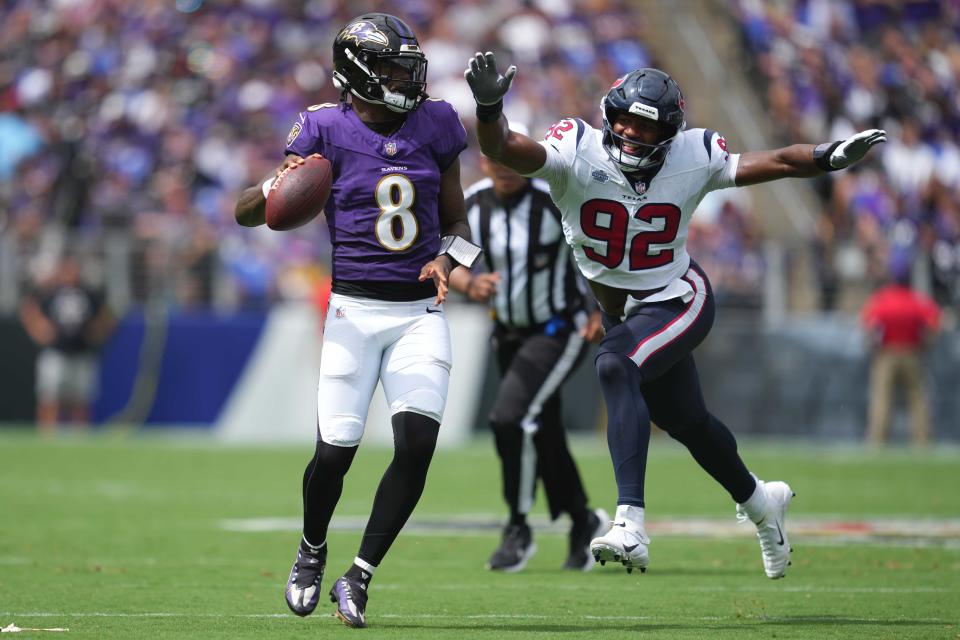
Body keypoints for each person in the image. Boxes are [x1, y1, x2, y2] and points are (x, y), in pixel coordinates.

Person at [464, 52, 886, 578]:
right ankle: (761, 503)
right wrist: (488, 108)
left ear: (667, 134)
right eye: (622, 118)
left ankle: (630, 522)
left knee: (615, 364)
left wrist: (825, 157)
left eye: (643, 125)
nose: (628, 131)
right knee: (687, 422)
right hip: (624, 311)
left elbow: (774, 161)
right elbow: (503, 147)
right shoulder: (576, 148)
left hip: (677, 298)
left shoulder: (694, 154)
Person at [235, 14, 479, 628]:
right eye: (396, 68)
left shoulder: (438, 122)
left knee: (417, 446)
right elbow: (248, 214)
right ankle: (312, 549)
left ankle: (360, 575)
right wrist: (277, 182)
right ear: (361, 75)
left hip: (419, 313)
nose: (408, 78)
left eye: (409, 66)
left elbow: (459, 222)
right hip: (352, 311)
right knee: (334, 454)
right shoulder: (322, 128)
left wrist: (451, 259)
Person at [449, 127, 609, 572]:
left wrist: (600, 308)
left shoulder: (553, 198)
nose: (500, 165)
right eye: (491, 157)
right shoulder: (475, 202)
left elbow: (595, 253)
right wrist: (470, 282)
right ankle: (583, 520)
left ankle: (518, 526)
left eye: (508, 156)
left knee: (511, 418)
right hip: (508, 332)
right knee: (544, 429)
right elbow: (453, 262)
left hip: (559, 328)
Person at [19, 255, 114, 434]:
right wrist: (39, 330)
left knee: (81, 400)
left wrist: (98, 332)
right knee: (50, 398)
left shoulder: (88, 294)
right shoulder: (51, 293)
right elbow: (29, 309)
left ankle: (80, 437)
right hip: (56, 352)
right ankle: (47, 435)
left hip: (81, 352)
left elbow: (107, 315)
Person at [861, 261, 940, 446]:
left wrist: (872, 346)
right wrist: (926, 343)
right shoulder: (916, 300)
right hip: (912, 353)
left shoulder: (882, 300)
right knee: (917, 399)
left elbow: (869, 326)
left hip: (886, 355)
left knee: (881, 398)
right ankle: (922, 442)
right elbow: (934, 323)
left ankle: (877, 442)